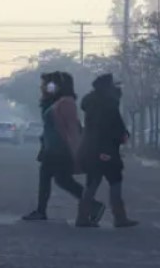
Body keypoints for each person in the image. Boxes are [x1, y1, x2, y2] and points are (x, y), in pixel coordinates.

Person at [23, 71, 103, 222]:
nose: (43, 87)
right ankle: (93, 205)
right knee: (62, 180)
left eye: (47, 85)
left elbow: (72, 129)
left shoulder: (66, 102)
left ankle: (42, 211)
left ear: (58, 86)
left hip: (60, 149)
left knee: (50, 178)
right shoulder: (56, 102)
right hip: (52, 148)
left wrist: (78, 153)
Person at [76, 73, 138, 228]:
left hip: (91, 149)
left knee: (92, 182)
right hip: (106, 149)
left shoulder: (92, 103)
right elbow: (111, 128)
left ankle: (82, 216)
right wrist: (118, 139)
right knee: (115, 181)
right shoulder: (108, 104)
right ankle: (119, 217)